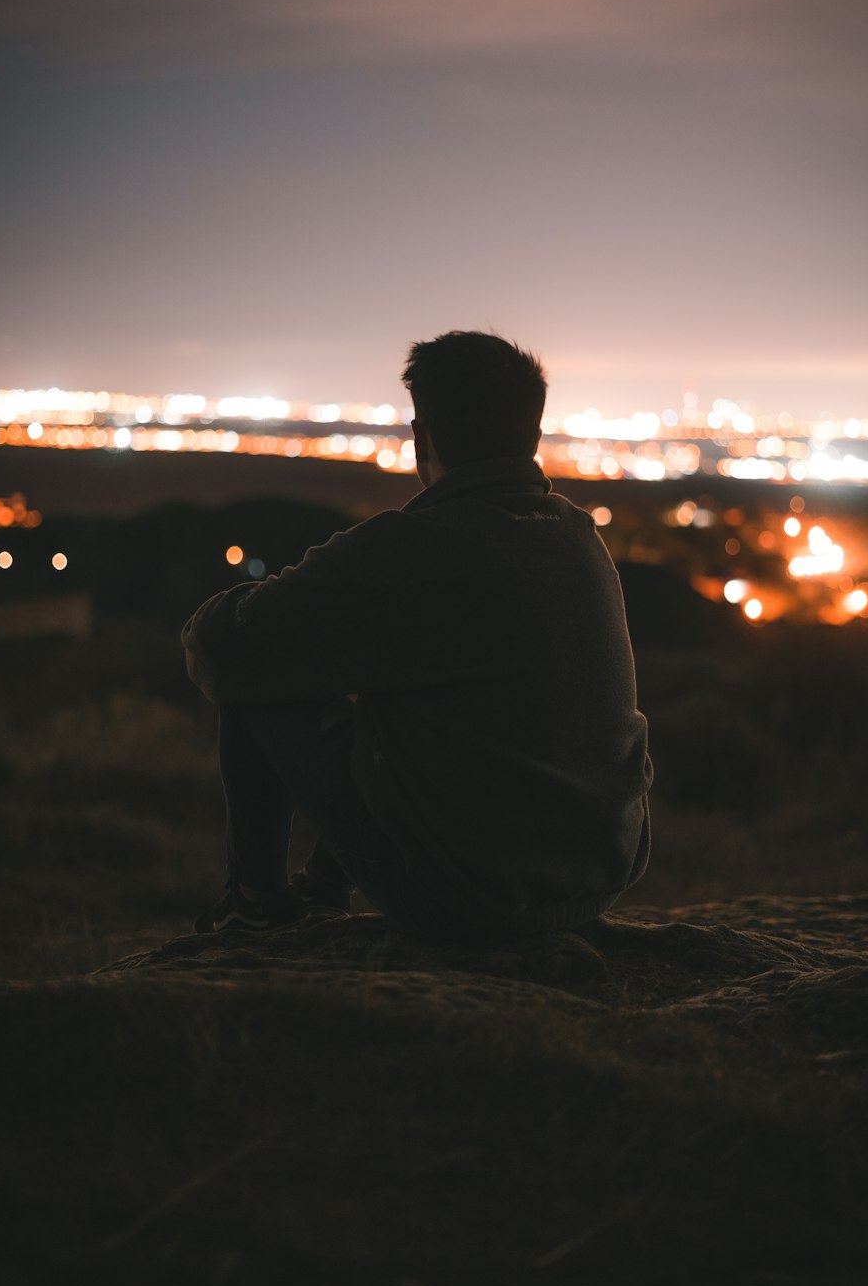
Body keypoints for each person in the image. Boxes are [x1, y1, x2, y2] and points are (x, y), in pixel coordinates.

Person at [184, 331, 652, 942]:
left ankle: (255, 902)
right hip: (596, 882)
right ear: (533, 437)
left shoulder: (405, 550)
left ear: (420, 439)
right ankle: (321, 890)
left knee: (265, 681)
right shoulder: (580, 539)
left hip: (468, 900)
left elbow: (220, 645)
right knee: (405, 686)